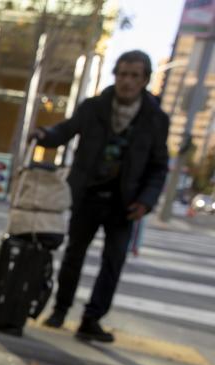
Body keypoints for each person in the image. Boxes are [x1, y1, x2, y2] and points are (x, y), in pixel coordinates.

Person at [29, 50, 169, 342]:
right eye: (122, 74)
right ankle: (60, 309)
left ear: (145, 80)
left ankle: (91, 319)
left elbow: (158, 167)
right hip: (88, 194)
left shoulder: (156, 119)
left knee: (113, 262)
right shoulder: (94, 107)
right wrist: (45, 135)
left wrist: (146, 201)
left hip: (126, 203)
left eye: (134, 76)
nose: (127, 81)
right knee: (73, 255)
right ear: (115, 76)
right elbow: (66, 130)